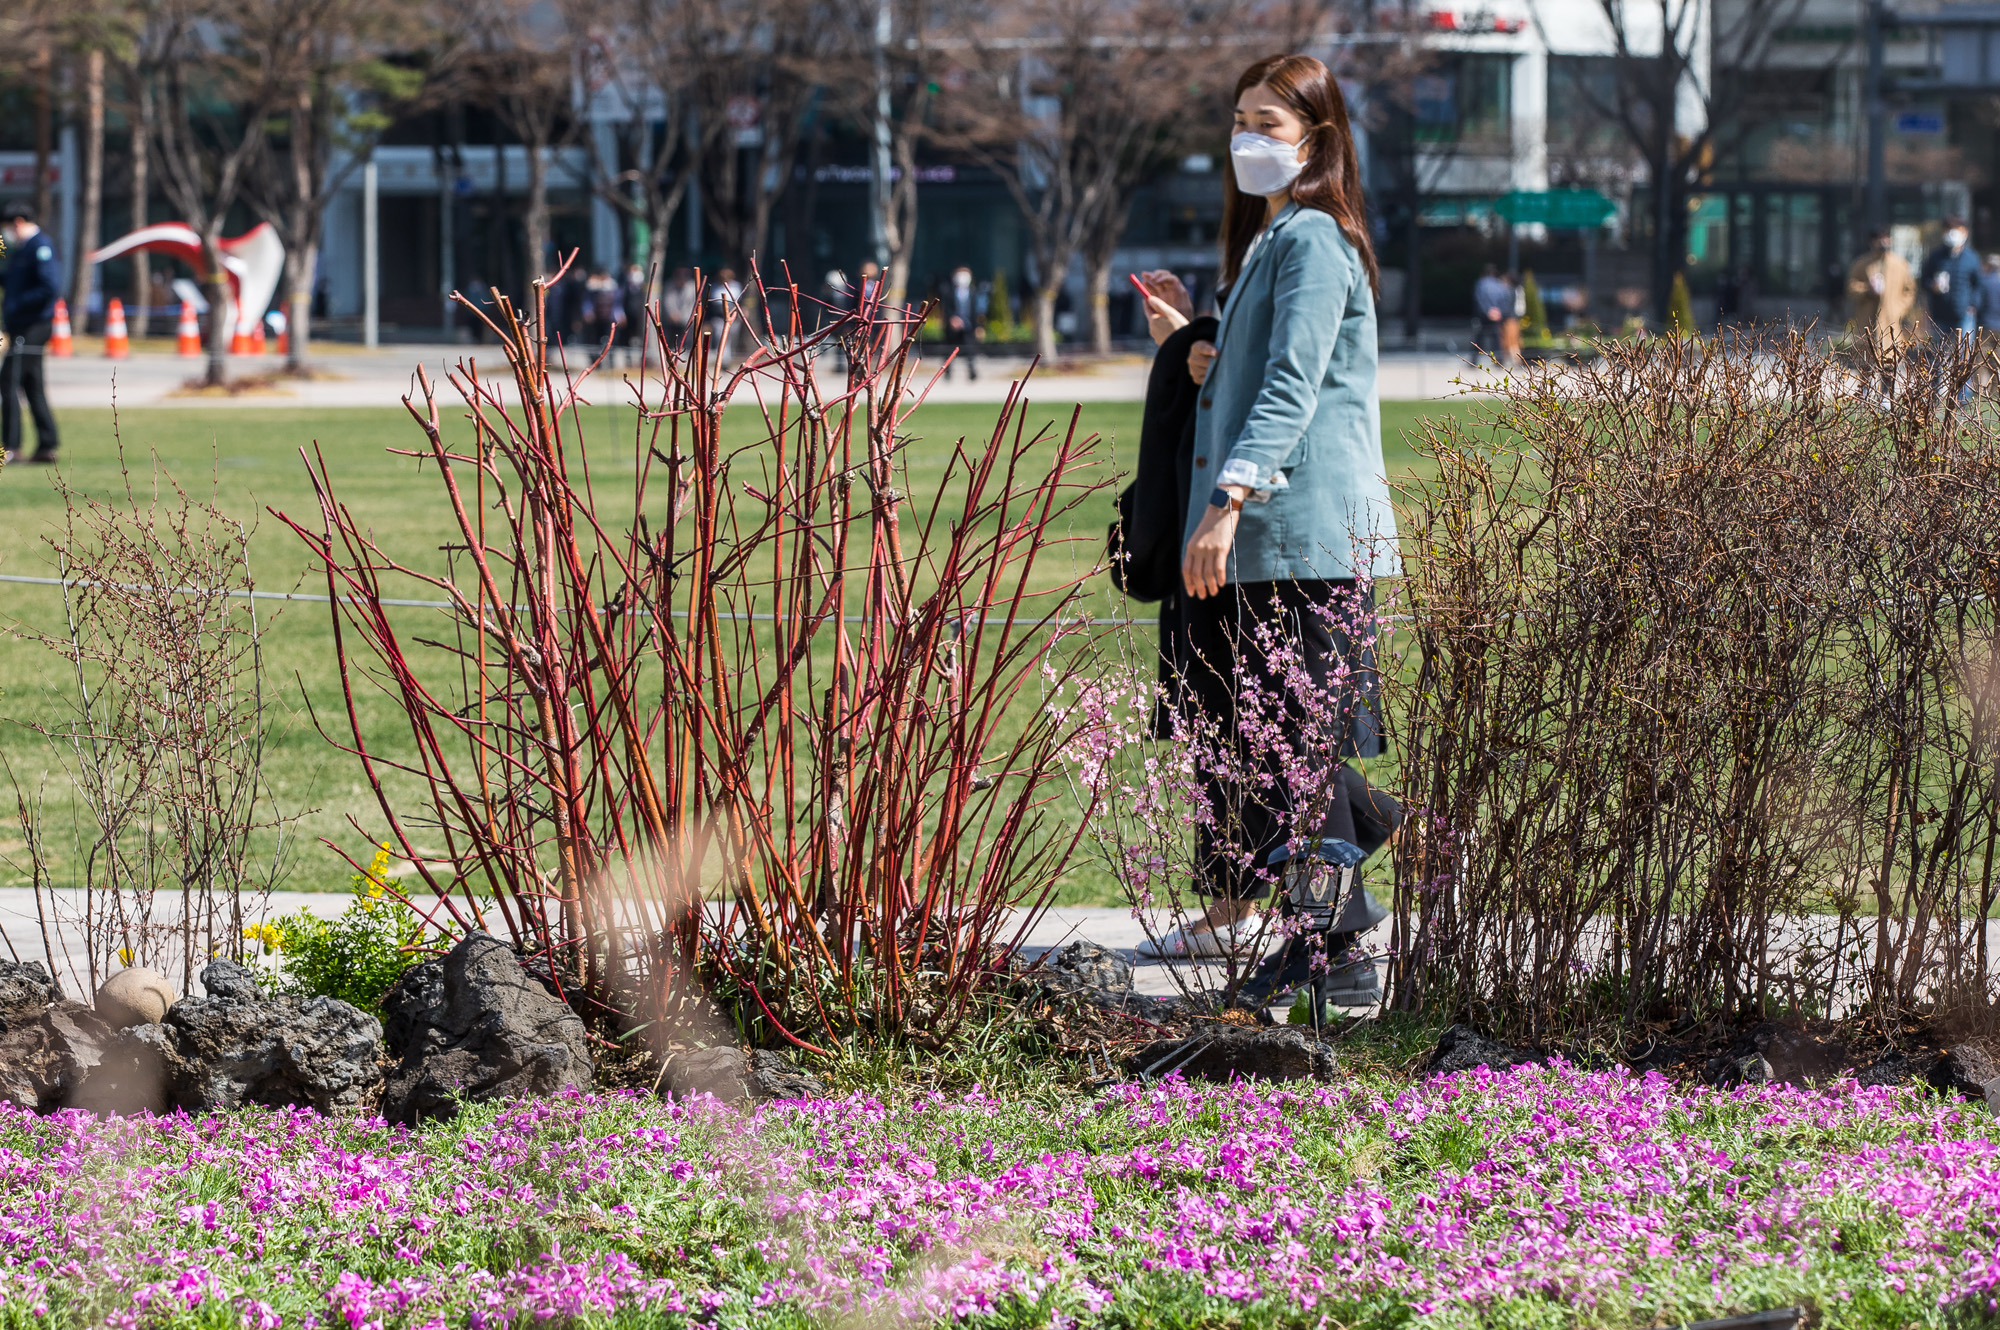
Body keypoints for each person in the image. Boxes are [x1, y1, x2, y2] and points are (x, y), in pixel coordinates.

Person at [1126, 54, 1402, 1009]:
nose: (1248, 139)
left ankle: (1335, 948)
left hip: (1303, 533)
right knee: (1282, 744)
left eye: (1269, 124)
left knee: (1298, 746)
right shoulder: (1274, 243)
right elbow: (1257, 377)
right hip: (1270, 538)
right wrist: (1192, 349)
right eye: (1239, 118)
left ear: (1317, 141)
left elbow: (1293, 387)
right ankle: (1354, 868)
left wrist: (1225, 503)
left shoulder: (1316, 241)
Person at [1, 201, 63, 466]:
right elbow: (13, 282)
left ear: (17, 222)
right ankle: (47, 446)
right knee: (32, 384)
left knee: (7, 380)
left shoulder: (40, 247)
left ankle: (12, 447)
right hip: (21, 326)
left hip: (33, 325)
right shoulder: (22, 249)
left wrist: (17, 305)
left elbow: (50, 287)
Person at [1921, 216, 1981, 346]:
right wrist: (1933, 286)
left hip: (1964, 313)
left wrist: (1974, 305)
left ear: (1965, 232)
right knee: (1939, 353)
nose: (1953, 233)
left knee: (1964, 353)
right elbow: (1924, 281)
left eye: (1957, 229)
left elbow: (1978, 284)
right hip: (1940, 313)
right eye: (1949, 229)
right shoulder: (1935, 257)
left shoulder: (1971, 258)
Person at [942, 266, 983, 381]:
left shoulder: (973, 292)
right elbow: (945, 309)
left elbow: (976, 311)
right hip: (953, 327)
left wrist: (978, 327)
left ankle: (972, 372)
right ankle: (947, 372)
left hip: (968, 326)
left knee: (970, 350)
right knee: (949, 351)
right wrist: (952, 319)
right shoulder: (949, 292)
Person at [1472, 263, 1510, 366]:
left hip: (1484, 315)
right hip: (1497, 315)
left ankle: (1474, 361)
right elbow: (1505, 299)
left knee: (1479, 339)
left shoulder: (1481, 283)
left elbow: (1478, 299)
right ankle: (1499, 361)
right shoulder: (1499, 284)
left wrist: (1487, 311)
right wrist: (1498, 311)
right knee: (1496, 339)